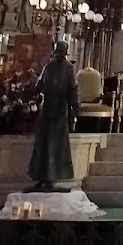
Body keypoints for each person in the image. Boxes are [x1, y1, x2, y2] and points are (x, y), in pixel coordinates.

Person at [27, 41, 79, 190]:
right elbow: (40, 85)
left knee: (55, 143)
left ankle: (52, 176)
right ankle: (43, 176)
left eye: (61, 51)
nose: (59, 54)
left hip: (59, 108)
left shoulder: (67, 68)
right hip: (48, 106)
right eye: (58, 51)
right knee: (44, 143)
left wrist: (75, 108)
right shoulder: (49, 66)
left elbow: (72, 88)